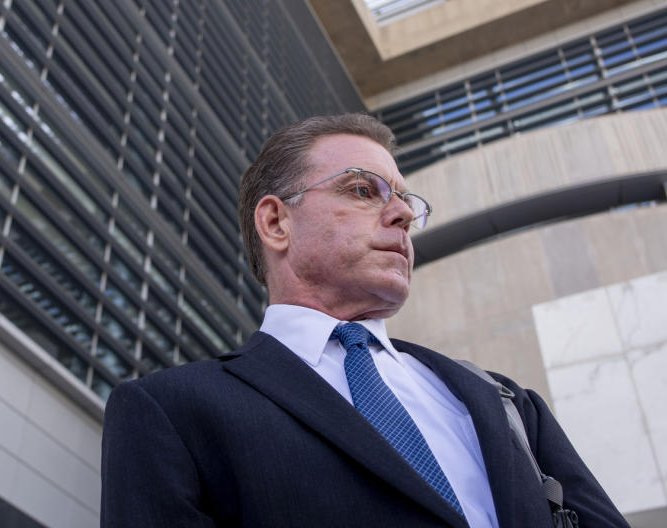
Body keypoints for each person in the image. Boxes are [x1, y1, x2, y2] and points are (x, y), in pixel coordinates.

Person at [100, 113, 628, 527]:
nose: (400, 213)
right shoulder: (169, 410)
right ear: (276, 221)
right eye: (362, 190)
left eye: (404, 199)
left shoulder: (505, 402)